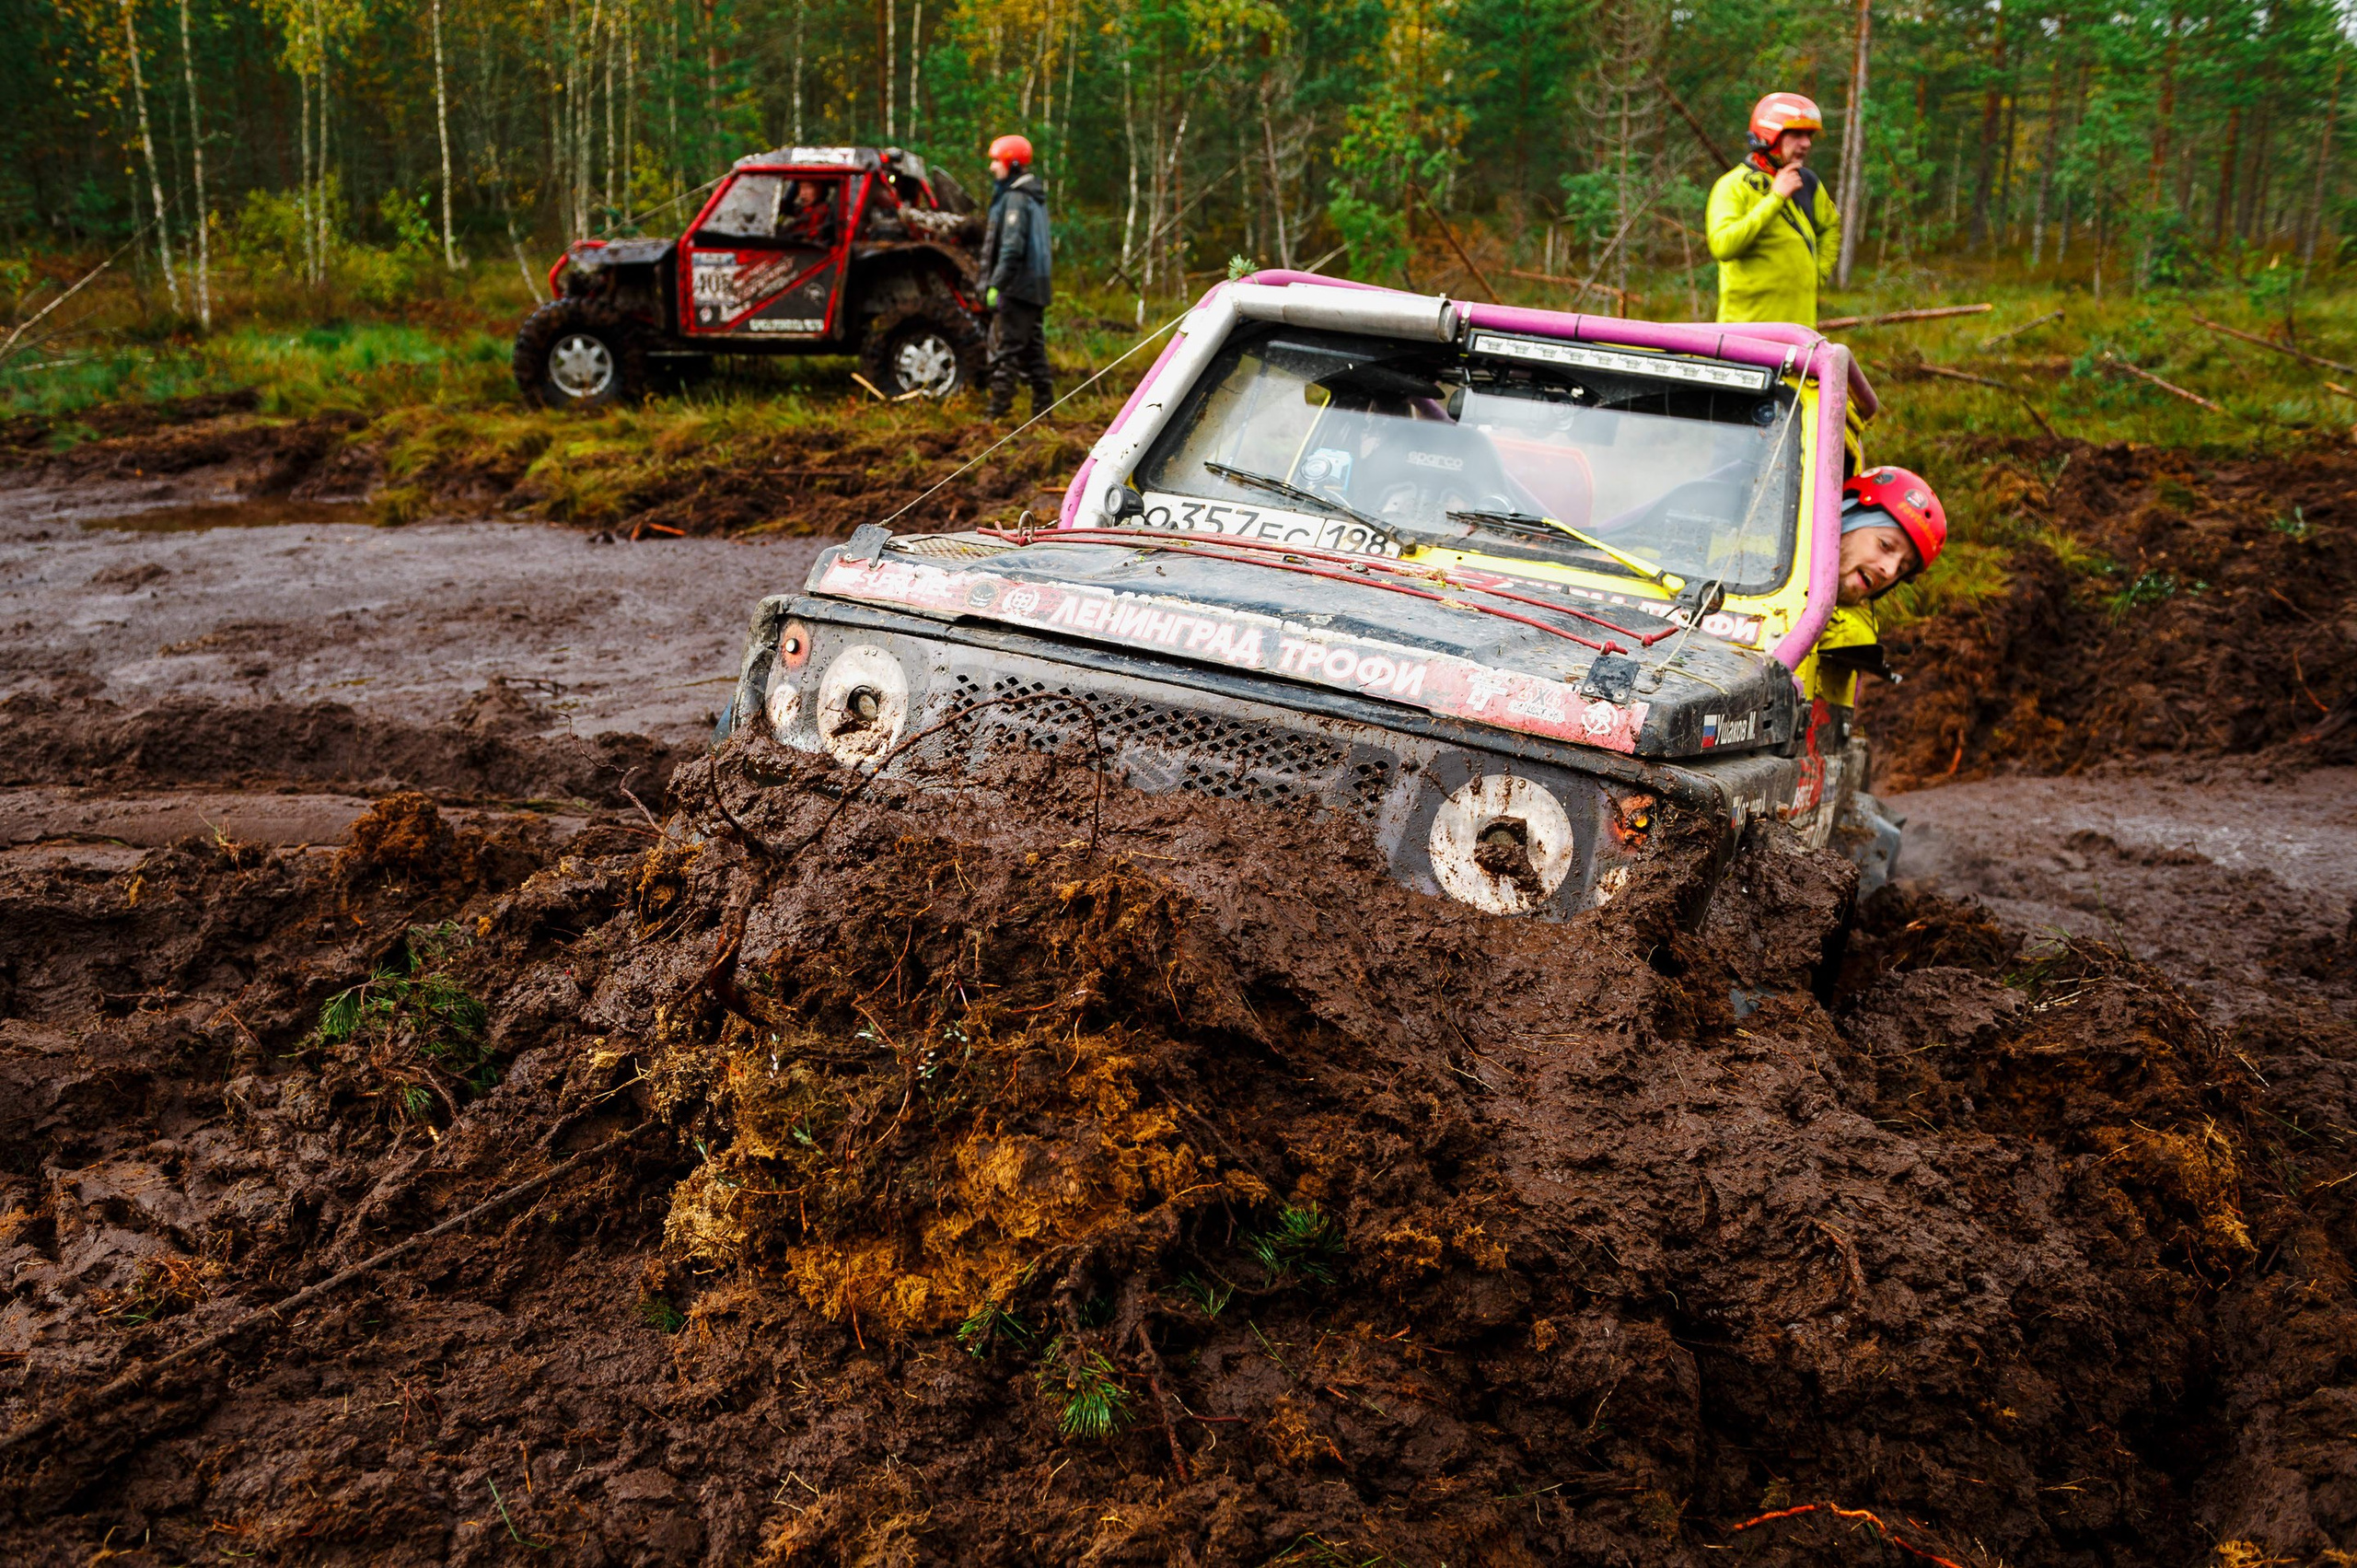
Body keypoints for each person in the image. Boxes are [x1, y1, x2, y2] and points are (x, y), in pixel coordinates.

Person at [1812, 464, 1946, 707]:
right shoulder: (1756, 567)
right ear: (1841, 520)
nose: (1890, 571)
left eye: (1903, 568)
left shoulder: (1855, 634)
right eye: (1885, 545)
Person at [1706, 92, 1842, 327]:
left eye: (1809, 136)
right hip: (1744, 338)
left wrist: (1815, 276)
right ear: (1770, 135)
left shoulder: (1807, 182)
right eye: (1797, 134)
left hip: (1800, 337)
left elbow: (1830, 226)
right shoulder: (1732, 186)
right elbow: (1723, 246)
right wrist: (1776, 198)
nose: (1807, 144)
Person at [979, 133, 1053, 420]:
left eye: (996, 161)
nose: (992, 167)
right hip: (1036, 287)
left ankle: (996, 414)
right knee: (1034, 352)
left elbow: (1011, 247)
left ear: (1011, 164)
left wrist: (996, 284)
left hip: (1019, 286)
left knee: (1006, 350)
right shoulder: (1032, 197)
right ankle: (1044, 411)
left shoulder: (1016, 199)